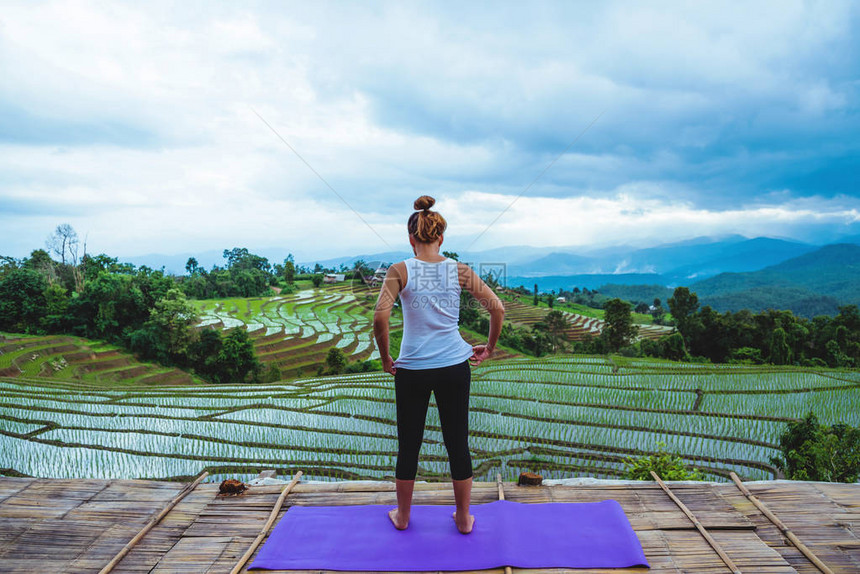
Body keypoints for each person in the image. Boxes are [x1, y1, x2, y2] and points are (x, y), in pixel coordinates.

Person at [372, 195, 505, 535]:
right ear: (441, 237)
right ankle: (463, 519)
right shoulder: (459, 270)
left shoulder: (399, 270)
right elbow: (498, 309)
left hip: (412, 369)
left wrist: (387, 358)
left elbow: (380, 317)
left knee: (409, 443)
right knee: (457, 441)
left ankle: (402, 517)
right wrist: (488, 348)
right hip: (454, 366)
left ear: (411, 237)